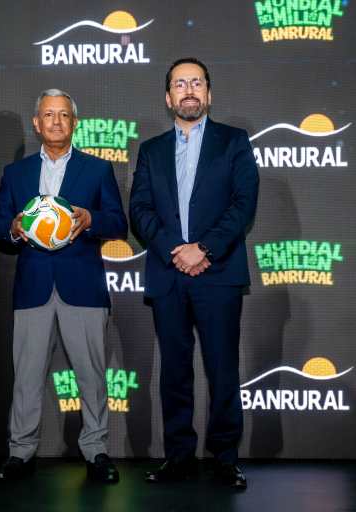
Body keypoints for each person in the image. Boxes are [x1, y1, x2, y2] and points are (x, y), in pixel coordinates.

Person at [129, 58, 259, 490]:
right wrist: (175, 250)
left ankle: (225, 459)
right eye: (180, 84)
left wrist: (202, 248)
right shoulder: (151, 150)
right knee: (175, 373)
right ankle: (179, 457)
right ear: (168, 98)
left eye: (196, 82)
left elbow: (243, 203)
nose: (189, 90)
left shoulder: (234, 141)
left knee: (223, 371)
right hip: (169, 275)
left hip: (217, 272)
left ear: (209, 93)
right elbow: (139, 210)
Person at [0, 89, 127, 483]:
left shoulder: (97, 169)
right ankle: (20, 452)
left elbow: (118, 223)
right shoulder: (15, 173)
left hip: (82, 287)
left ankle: (96, 450)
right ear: (37, 123)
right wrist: (14, 229)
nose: (56, 121)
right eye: (48, 114)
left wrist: (91, 218)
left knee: (92, 376)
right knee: (26, 377)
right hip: (32, 287)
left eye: (63, 115)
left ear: (74, 123)